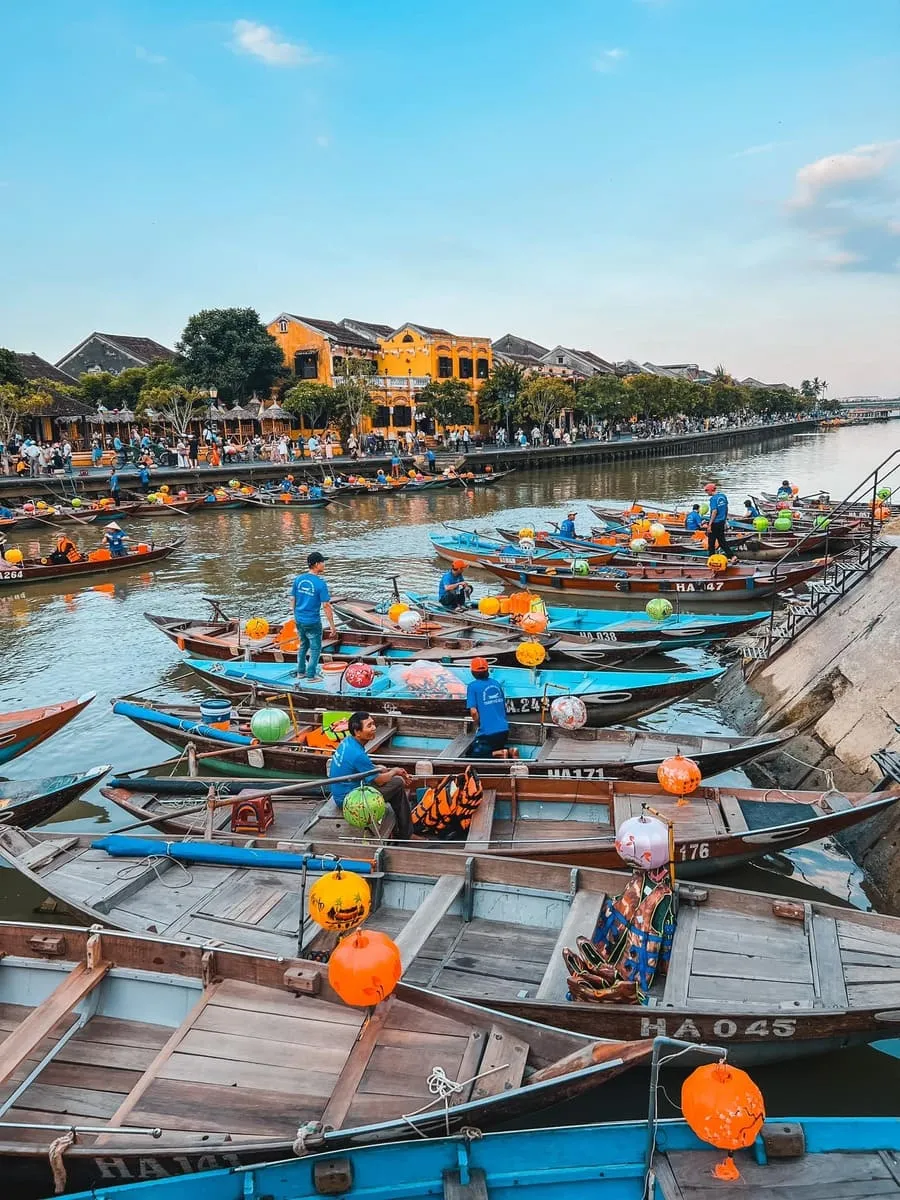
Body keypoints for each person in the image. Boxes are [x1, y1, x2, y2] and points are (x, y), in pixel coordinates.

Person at [328, 711, 412, 837]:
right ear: (357, 732)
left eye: (373, 724)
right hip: (349, 801)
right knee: (398, 782)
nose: (374, 728)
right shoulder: (358, 755)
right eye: (369, 726)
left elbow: (357, 766)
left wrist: (377, 767)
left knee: (395, 786)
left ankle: (403, 831)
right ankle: (406, 833)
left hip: (343, 792)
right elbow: (379, 780)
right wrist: (394, 771)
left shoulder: (347, 741)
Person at [291, 550, 337, 681]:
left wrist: (296, 615)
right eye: (323, 562)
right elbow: (326, 606)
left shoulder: (298, 579)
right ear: (317, 564)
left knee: (303, 645)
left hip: (299, 619)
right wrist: (332, 627)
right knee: (316, 648)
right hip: (312, 621)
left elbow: (293, 599)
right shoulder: (320, 583)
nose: (324, 565)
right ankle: (311, 675)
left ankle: (301, 672)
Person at [467, 659, 515, 758]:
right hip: (504, 729)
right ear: (487, 670)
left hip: (487, 732)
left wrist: (477, 724)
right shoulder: (496, 683)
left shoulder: (472, 686)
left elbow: (474, 711)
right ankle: (511, 751)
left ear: (472, 672)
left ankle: (503, 753)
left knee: (472, 755)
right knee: (495, 747)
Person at [704, 482, 732, 557]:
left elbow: (714, 511)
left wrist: (709, 524)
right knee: (722, 541)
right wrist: (725, 519)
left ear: (710, 490)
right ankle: (732, 556)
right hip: (722, 522)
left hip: (715, 523)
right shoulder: (723, 496)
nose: (706, 493)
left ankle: (711, 558)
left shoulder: (713, 499)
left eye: (706, 491)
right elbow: (726, 508)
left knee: (711, 542)